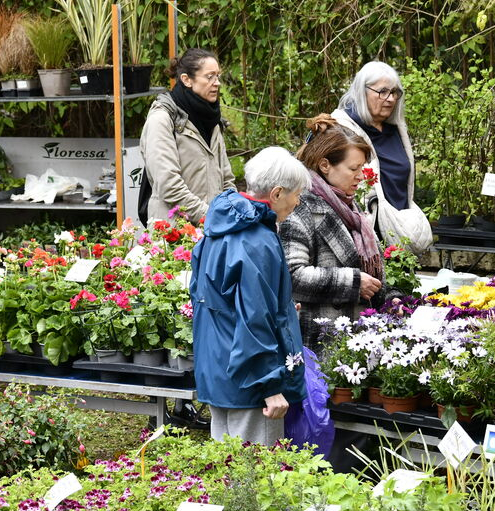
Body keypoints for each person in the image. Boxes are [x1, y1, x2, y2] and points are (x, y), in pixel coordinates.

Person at [190, 147, 309, 445]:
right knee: (255, 479)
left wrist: (278, 305)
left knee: (225, 467)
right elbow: (253, 318)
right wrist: (269, 385)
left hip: (219, 367)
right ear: (278, 193)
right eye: (297, 194)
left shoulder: (219, 226)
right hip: (250, 381)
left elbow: (204, 295)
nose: (298, 201)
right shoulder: (258, 239)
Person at [279, 115, 384, 349]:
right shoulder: (300, 207)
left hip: (356, 338)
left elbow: (371, 266)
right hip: (320, 341)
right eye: (354, 168)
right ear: (325, 165)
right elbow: (292, 276)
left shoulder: (349, 205)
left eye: (362, 168)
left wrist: (391, 294)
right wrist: (353, 282)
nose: (360, 176)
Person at [332, 61, 432, 252]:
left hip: (399, 229)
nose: (391, 99)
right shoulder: (343, 128)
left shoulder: (395, 129)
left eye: (394, 92)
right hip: (365, 235)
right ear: (363, 91)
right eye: (383, 92)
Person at [139, 47, 234, 223]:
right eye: (209, 76)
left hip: (211, 229)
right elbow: (169, 185)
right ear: (186, 80)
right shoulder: (162, 120)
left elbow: (226, 179)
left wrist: (234, 210)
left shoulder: (212, 119)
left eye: (218, 76)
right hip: (174, 233)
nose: (217, 83)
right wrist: (210, 216)